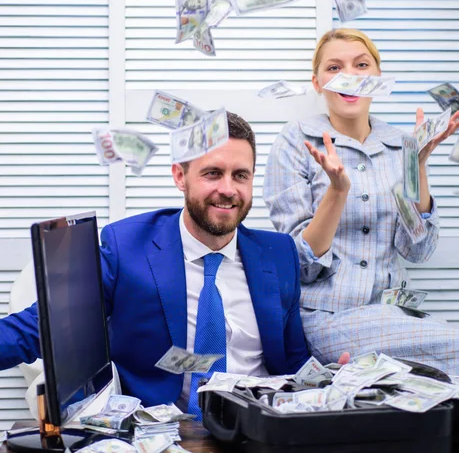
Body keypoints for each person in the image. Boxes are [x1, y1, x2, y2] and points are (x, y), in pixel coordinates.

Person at [0, 112, 316, 418]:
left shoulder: (278, 253)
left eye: (240, 175)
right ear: (180, 176)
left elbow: (293, 360)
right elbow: (43, 328)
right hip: (168, 434)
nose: (228, 189)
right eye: (212, 173)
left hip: (257, 427)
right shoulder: (127, 247)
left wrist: (330, 384)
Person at [263, 28, 459, 375]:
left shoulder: (402, 143)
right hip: (326, 319)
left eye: (361, 65)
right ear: (318, 82)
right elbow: (302, 265)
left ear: (377, 77)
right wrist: (337, 192)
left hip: (392, 315)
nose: (349, 76)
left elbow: (417, 251)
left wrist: (418, 165)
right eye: (334, 68)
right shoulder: (296, 141)